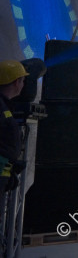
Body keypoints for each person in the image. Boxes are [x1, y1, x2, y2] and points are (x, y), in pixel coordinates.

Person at [0, 60, 28, 193]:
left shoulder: (5, 106)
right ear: (17, 82)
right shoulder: (1, 107)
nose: (23, 85)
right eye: (23, 81)